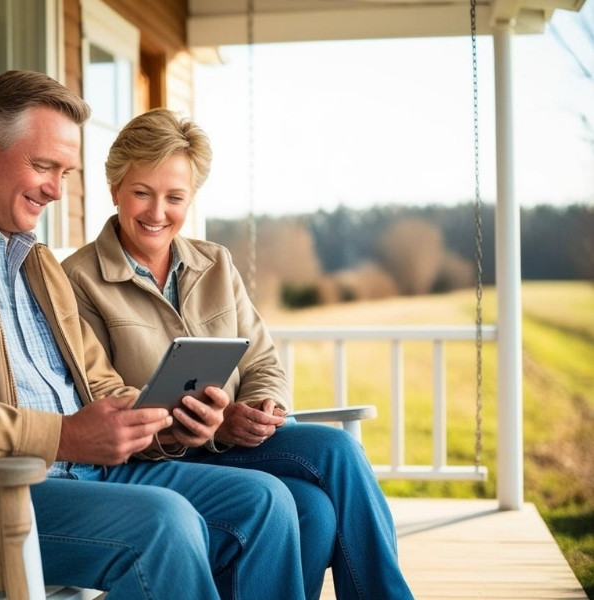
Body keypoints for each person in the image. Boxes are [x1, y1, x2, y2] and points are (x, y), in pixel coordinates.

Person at [0, 70, 309, 599]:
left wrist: (169, 424)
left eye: (66, 172)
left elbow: (99, 383)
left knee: (265, 503)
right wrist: (61, 436)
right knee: (164, 523)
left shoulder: (33, 256)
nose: (56, 190)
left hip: (95, 476)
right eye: (43, 166)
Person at [61, 107, 415, 600]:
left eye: (175, 197)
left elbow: (262, 361)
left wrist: (264, 406)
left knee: (336, 458)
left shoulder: (215, 263)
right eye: (142, 192)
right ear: (115, 187)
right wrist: (209, 422)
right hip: (152, 463)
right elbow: (103, 394)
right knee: (313, 506)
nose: (157, 212)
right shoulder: (77, 281)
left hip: (232, 450)